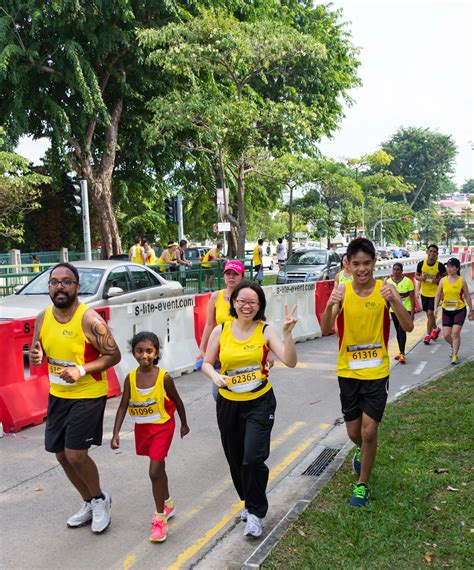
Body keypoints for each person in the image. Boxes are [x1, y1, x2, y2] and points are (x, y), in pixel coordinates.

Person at [321, 238, 413, 508]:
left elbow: (407, 326)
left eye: (367, 263)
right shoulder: (342, 291)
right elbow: (326, 328)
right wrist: (329, 305)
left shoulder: (385, 291)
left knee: (369, 431)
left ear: (374, 263)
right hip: (348, 372)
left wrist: (395, 298)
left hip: (377, 373)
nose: (362, 269)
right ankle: (361, 449)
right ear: (347, 265)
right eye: (356, 264)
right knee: (354, 433)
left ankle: (362, 484)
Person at [29, 262, 121, 532]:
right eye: (54, 282)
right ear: (49, 288)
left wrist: (80, 369)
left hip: (88, 393)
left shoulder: (89, 319)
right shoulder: (42, 317)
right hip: (58, 394)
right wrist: (37, 357)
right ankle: (89, 500)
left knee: (76, 454)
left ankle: (101, 500)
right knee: (60, 455)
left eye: (66, 281)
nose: (60, 286)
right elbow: (39, 352)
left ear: (77, 287)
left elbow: (113, 355)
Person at [202, 282, 297, 538]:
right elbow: (207, 363)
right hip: (228, 403)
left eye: (252, 302)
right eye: (242, 301)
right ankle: (248, 501)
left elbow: (289, 361)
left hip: (260, 402)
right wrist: (215, 376)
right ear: (233, 303)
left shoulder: (265, 331)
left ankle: (256, 513)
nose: (246, 306)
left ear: (260, 306)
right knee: (235, 459)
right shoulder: (221, 331)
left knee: (253, 458)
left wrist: (288, 334)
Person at [111, 332, 189, 543]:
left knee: (154, 471)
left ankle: (160, 518)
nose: (144, 355)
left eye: (149, 351)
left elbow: (178, 402)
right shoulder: (130, 378)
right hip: (143, 429)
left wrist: (184, 424)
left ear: (156, 353)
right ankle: (168, 502)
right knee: (159, 467)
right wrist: (116, 432)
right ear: (133, 353)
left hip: (163, 427)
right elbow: (122, 405)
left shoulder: (164, 377)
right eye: (139, 351)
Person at [197, 260, 246, 361]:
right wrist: (202, 349)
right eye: (228, 274)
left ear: (242, 276)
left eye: (235, 274)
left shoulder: (248, 296)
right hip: (223, 352)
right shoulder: (216, 296)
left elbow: (258, 322)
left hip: (245, 348)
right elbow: (209, 324)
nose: (231, 277)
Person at [434, 257, 473, 365]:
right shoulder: (443, 280)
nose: (449, 269)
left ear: (457, 268)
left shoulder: (462, 281)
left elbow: (467, 296)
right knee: (446, 335)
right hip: (446, 310)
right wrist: (435, 308)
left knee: (455, 333)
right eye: (448, 266)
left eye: (451, 267)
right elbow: (437, 295)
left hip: (459, 310)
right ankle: (454, 345)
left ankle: (455, 356)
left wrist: (471, 310)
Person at [415, 244, 446, 345]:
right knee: (429, 315)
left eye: (434, 252)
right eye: (431, 251)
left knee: (429, 313)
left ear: (437, 254)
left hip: (435, 294)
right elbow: (416, 275)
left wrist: (438, 280)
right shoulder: (421, 264)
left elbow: (446, 277)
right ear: (427, 252)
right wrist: (421, 279)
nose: (432, 253)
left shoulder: (440, 266)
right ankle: (436, 329)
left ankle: (427, 335)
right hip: (424, 293)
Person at [387, 262, 415, 363]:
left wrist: (412, 313)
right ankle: (400, 352)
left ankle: (402, 353)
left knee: (401, 329)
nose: (395, 271)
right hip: (393, 310)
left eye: (398, 269)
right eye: (394, 269)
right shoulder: (388, 282)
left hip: (405, 309)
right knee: (398, 331)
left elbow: (412, 298)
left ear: (402, 271)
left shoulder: (408, 282)